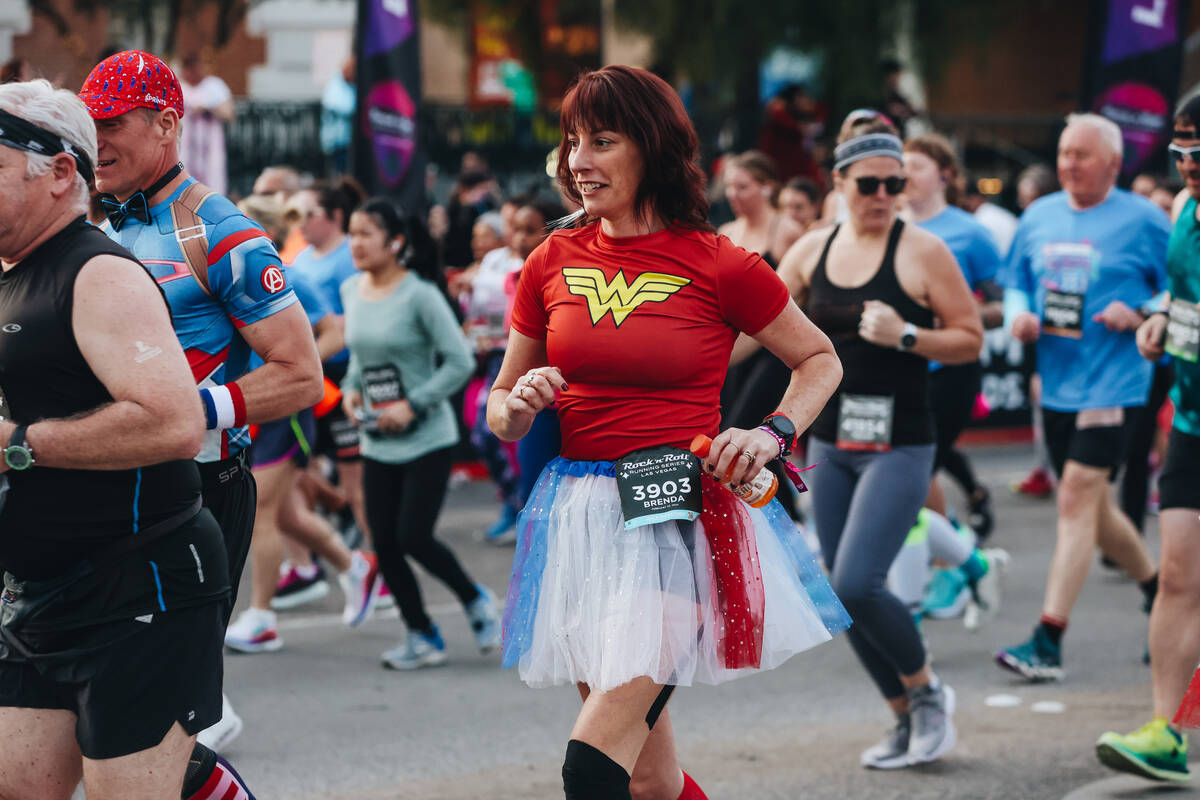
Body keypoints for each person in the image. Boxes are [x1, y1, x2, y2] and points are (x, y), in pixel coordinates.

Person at [489, 64, 850, 800]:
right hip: (579, 521)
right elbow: (501, 407)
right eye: (571, 142)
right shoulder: (550, 260)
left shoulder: (721, 264)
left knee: (591, 767)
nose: (578, 162)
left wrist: (772, 433)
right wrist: (520, 402)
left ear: (651, 147)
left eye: (602, 141)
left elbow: (818, 359)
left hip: (677, 519)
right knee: (650, 780)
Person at [79, 49, 323, 789]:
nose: (96, 142)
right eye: (87, 125)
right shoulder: (89, 224)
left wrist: (188, 413)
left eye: (112, 122)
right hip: (99, 490)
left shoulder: (220, 233)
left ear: (166, 123)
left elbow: (300, 373)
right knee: (89, 706)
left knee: (150, 730)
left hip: (198, 490)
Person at [0, 78, 232, 800]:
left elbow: (173, 422)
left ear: (61, 172)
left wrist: (19, 444)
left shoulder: (97, 273)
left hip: (140, 585)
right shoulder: (15, 278)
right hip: (41, 593)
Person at [776, 112, 983, 769]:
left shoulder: (923, 251)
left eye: (895, 183)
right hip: (832, 443)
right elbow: (760, 325)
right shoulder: (811, 250)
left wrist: (909, 337)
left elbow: (970, 339)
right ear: (838, 181)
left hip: (901, 442)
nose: (884, 196)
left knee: (859, 580)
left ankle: (927, 694)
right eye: (869, 184)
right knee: (838, 597)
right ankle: (901, 718)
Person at [996, 112, 1164, 681]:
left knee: (1075, 497)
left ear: (1114, 164)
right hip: (1058, 381)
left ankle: (1048, 638)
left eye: (1082, 155)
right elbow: (1016, 278)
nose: (1068, 164)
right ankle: (1161, 590)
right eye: (1065, 152)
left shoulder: (1145, 220)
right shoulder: (1039, 216)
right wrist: (1019, 317)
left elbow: (1181, 286)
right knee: (1098, 507)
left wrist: (1140, 312)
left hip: (1116, 382)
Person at [341, 198, 501, 669]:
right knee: (384, 542)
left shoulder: (420, 295)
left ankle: (475, 599)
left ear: (396, 242)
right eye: (352, 233)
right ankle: (422, 635)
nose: (356, 243)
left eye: (366, 233)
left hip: (427, 435)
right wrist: (352, 392)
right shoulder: (352, 289)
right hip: (377, 439)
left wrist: (413, 405)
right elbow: (358, 358)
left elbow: (459, 360)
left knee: (413, 535)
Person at [1094, 94, 1200, 783]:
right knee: (1180, 575)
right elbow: (1178, 288)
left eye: (1199, 153)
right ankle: (1167, 733)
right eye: (1180, 153)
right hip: (1192, 421)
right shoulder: (1185, 209)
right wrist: (1161, 316)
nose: (1187, 166)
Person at [225, 198, 381, 653]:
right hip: (248, 412)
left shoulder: (291, 277)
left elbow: (334, 331)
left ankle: (261, 618)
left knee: (261, 514)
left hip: (284, 412)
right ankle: (353, 566)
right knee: (286, 514)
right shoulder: (231, 277)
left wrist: (294, 369)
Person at [902, 133, 1003, 538]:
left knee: (915, 470)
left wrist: (958, 317)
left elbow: (1001, 306)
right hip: (897, 367)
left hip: (949, 369)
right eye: (901, 166)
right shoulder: (886, 226)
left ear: (944, 176)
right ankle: (954, 553)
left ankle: (955, 564)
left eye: (917, 166)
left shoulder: (970, 232)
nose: (905, 174)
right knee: (907, 472)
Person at [178, 53, 234, 196]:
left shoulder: (214, 85)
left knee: (213, 179)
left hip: (210, 145)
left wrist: (208, 107)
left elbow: (229, 113)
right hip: (186, 145)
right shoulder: (179, 87)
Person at [321, 56, 356, 175]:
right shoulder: (336, 85)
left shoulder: (352, 85)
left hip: (350, 141)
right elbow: (347, 107)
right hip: (338, 142)